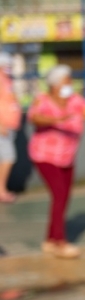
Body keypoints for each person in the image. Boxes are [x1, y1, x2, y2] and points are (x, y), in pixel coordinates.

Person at [27, 65, 85, 259]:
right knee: (59, 194)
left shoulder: (76, 100)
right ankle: (60, 242)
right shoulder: (42, 100)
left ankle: (50, 239)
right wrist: (58, 118)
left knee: (64, 197)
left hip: (67, 157)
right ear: (55, 84)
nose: (70, 84)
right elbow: (35, 118)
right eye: (66, 80)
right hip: (44, 155)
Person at [0, 53, 21, 203]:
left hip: (9, 125)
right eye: (6, 65)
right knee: (8, 157)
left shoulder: (7, 81)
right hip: (3, 126)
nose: (9, 67)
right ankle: (1, 191)